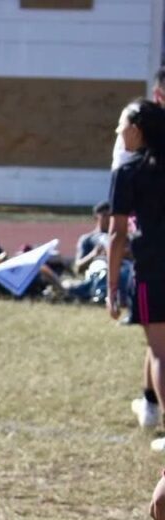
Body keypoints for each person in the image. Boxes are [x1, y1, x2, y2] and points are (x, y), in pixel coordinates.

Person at [108, 99, 165, 433]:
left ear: (137, 130)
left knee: (159, 352)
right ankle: (149, 408)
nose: (118, 131)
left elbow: (116, 234)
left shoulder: (128, 172)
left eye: (122, 125)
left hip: (152, 268)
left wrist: (112, 287)